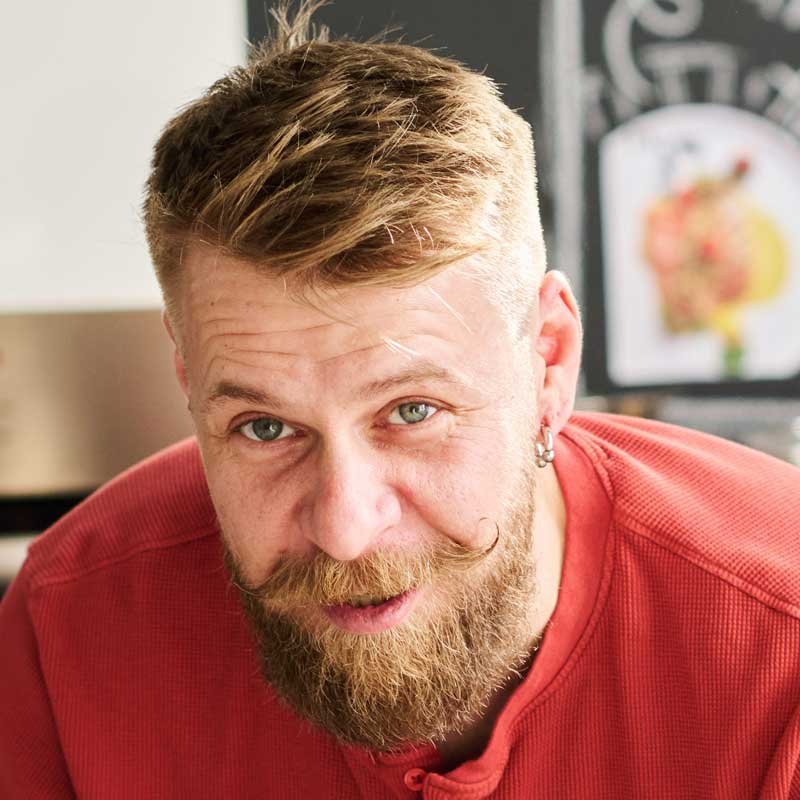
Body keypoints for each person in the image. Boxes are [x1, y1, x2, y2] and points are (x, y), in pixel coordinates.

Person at [1, 2, 799, 797]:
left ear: (549, 362)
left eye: (413, 411)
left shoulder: (780, 652)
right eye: (265, 427)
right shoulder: (67, 629)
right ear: (189, 380)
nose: (345, 530)